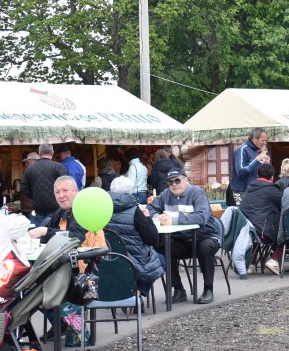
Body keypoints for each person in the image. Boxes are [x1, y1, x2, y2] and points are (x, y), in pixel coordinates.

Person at [147, 169, 220, 304]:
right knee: (164, 249)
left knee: (205, 248)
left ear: (186, 180)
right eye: (170, 182)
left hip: (204, 236)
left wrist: (173, 220)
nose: (174, 184)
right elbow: (149, 209)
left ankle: (208, 289)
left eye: (177, 180)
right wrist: (158, 216)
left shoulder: (198, 193)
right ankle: (178, 289)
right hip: (181, 239)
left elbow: (201, 217)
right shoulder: (165, 194)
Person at [106, 176, 165, 296]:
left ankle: (128, 293)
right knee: (161, 259)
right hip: (135, 263)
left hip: (108, 260)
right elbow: (153, 240)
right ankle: (136, 293)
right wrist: (147, 218)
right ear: (130, 192)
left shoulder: (101, 209)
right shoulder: (135, 211)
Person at [240, 164, 284, 275]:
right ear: (272, 177)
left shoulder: (250, 188)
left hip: (245, 230)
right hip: (262, 232)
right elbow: (284, 206)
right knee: (285, 231)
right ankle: (274, 260)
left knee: (255, 227)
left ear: (257, 175)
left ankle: (251, 264)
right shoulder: (272, 189)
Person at [20, 143, 68, 226]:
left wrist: (34, 196)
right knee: (55, 230)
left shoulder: (30, 169)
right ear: (52, 153)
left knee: (40, 231)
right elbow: (66, 184)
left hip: (39, 208)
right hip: (56, 207)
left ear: (39, 153)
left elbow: (23, 187)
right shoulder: (59, 166)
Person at [230, 128, 270, 204]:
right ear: (255, 138)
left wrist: (265, 164)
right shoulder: (242, 149)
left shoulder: (256, 151)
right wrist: (257, 159)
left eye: (266, 140)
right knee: (244, 212)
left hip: (255, 190)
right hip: (242, 191)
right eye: (263, 140)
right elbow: (241, 171)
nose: (265, 143)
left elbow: (257, 172)